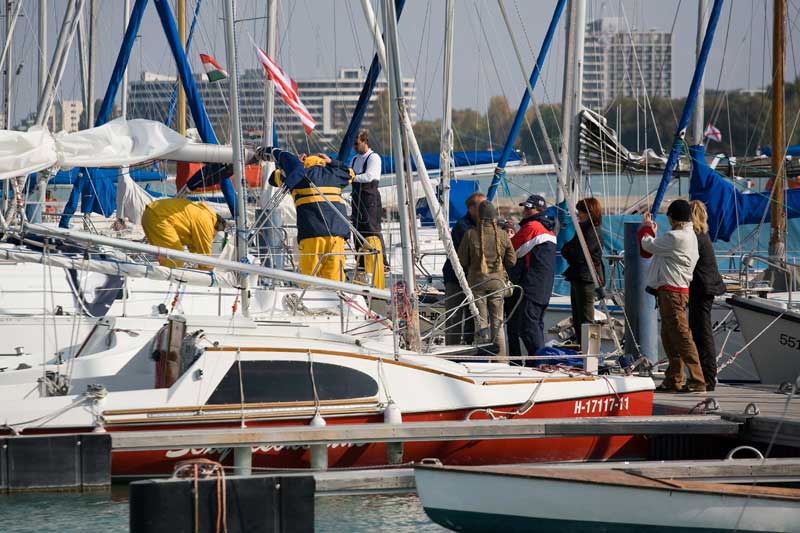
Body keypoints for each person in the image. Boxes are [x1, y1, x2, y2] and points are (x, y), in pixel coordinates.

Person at [638, 199, 704, 393]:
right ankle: (673, 378)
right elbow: (659, 247)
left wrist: (646, 228)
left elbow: (647, 246)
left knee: (681, 336)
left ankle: (697, 380)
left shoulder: (675, 237)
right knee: (670, 337)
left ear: (673, 218)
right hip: (675, 292)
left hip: (671, 292)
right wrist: (653, 233)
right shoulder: (689, 236)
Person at [266, 147, 355, 281]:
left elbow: (273, 179)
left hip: (311, 234)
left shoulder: (297, 176)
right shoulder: (335, 174)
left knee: (309, 280)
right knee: (335, 281)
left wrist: (294, 163)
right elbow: (351, 173)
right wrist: (332, 162)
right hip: (336, 235)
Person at [457, 201, 517, 360]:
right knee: (498, 323)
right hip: (497, 283)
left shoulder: (470, 234)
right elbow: (512, 261)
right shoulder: (503, 235)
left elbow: (462, 260)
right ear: (494, 216)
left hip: (477, 282)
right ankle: (501, 360)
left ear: (479, 216)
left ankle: (483, 359)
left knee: (481, 322)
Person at [509, 194, 557, 359]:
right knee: (536, 324)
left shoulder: (532, 226)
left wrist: (506, 237)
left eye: (529, 208)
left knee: (527, 326)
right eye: (525, 207)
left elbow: (512, 249)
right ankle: (538, 359)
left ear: (539, 210)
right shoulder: (548, 229)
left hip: (532, 285)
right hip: (543, 285)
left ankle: (539, 361)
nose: (525, 210)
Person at [689, 200, 726, 391]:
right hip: (707, 286)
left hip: (702, 288)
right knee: (700, 331)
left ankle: (708, 378)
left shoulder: (695, 237)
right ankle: (705, 376)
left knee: (702, 333)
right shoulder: (703, 235)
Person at [442, 191, 486, 345]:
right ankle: (451, 349)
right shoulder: (463, 227)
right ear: (471, 208)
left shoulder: (483, 225)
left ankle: (469, 345)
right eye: (482, 206)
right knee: (454, 317)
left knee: (472, 317)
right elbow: (465, 256)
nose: (485, 208)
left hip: (474, 280)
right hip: (456, 278)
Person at [561, 197, 605, 339]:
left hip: (587, 278)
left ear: (589, 213)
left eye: (581, 211)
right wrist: (570, 251)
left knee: (586, 319)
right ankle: (581, 345)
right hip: (578, 275)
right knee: (577, 318)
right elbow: (568, 248)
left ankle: (588, 348)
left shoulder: (592, 231)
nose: (578, 214)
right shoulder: (582, 229)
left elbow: (581, 254)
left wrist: (570, 251)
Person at [141, 197, 226, 269]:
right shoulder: (207, 222)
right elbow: (205, 255)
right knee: (176, 255)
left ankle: (163, 275)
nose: (211, 238)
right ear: (215, 228)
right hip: (159, 217)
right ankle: (170, 280)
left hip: (151, 214)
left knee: (166, 256)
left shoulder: (202, 214)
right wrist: (209, 271)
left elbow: (195, 250)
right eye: (213, 236)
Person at [350, 130, 386, 289]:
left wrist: (351, 177)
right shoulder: (354, 159)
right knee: (357, 231)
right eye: (354, 145)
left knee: (372, 230)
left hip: (370, 199)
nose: (355, 147)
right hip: (357, 199)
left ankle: (383, 263)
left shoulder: (373, 158)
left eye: (357, 144)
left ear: (365, 142)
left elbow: (369, 176)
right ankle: (362, 263)